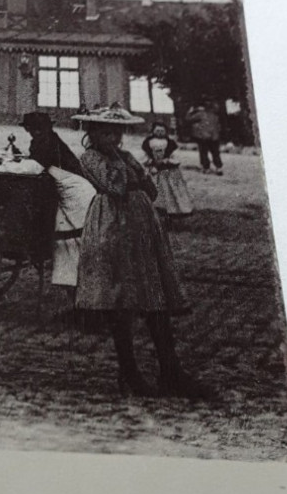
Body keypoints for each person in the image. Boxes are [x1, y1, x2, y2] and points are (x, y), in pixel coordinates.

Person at [74, 105, 204, 399]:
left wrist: (137, 174)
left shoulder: (127, 156)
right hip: (111, 227)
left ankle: (171, 372)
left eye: (116, 132)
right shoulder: (90, 158)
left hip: (141, 226)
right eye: (105, 131)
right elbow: (115, 187)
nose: (113, 137)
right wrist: (128, 170)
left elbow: (151, 189)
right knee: (121, 300)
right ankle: (129, 372)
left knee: (154, 298)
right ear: (92, 133)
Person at [21, 112, 96, 288]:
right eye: (31, 129)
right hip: (68, 186)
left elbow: (38, 166)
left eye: (36, 129)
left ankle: (76, 281)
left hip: (75, 190)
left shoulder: (47, 143)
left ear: (43, 129)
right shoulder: (48, 139)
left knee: (71, 234)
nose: (33, 133)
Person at [141, 123, 194, 217]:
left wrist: (167, 161)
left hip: (168, 171)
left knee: (170, 190)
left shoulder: (170, 143)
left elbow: (175, 156)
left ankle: (173, 211)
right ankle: (156, 210)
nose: (160, 133)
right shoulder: (148, 142)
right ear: (153, 131)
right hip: (153, 170)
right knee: (154, 189)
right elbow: (145, 156)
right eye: (157, 131)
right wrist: (150, 162)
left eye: (162, 131)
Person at [186, 101, 223, 175]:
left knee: (203, 152)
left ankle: (206, 168)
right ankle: (218, 168)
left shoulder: (200, 114)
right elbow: (218, 126)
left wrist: (190, 111)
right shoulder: (214, 115)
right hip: (214, 137)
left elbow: (188, 119)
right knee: (215, 152)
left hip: (204, 137)